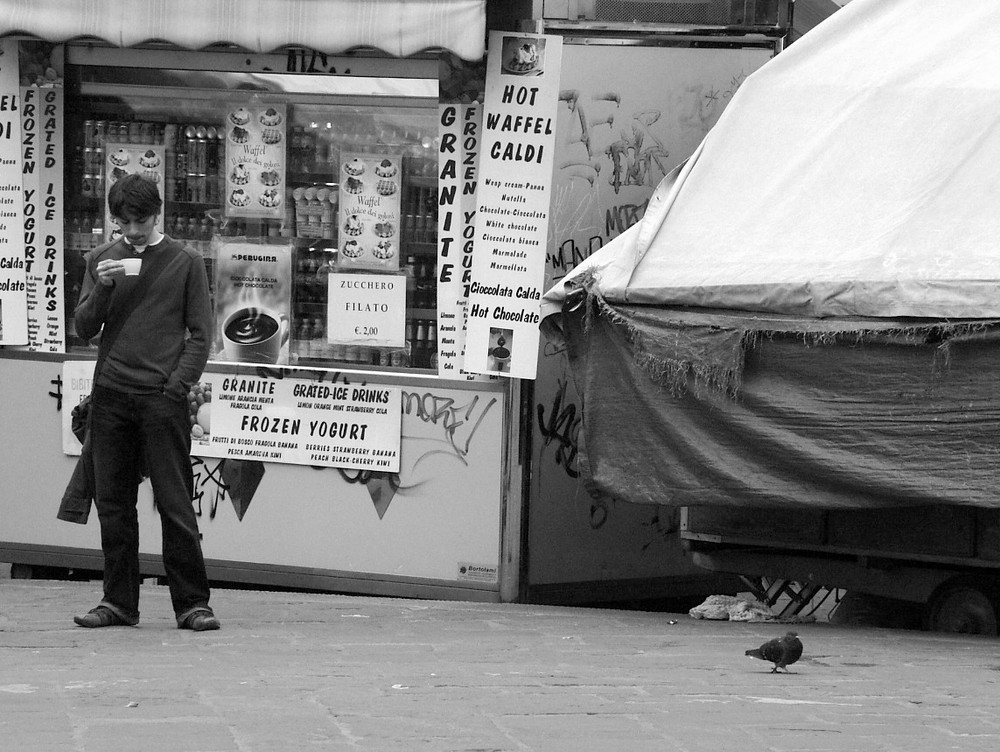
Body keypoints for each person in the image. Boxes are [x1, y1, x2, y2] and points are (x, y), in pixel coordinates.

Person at [73, 173, 219, 631]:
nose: (132, 231)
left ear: (158, 214)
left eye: (140, 220)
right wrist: (102, 287)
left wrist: (176, 387)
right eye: (123, 222)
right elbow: (82, 327)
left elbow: (201, 333)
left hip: (161, 399)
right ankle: (118, 603)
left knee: (175, 504)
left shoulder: (186, 261)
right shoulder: (100, 259)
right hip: (112, 396)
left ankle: (192, 604)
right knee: (113, 504)